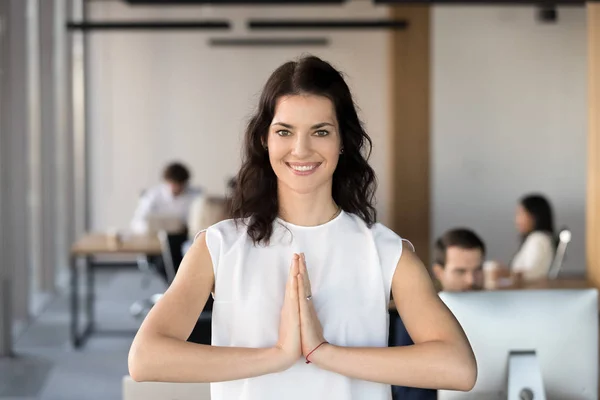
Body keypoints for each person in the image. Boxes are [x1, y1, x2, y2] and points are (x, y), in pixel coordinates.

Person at [128, 56, 477, 399]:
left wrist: (323, 352)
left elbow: (458, 368)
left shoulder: (386, 252)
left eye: (320, 131)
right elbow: (145, 359)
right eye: (285, 131)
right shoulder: (219, 246)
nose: (301, 149)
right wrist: (278, 356)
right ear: (265, 139)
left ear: (343, 141)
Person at [391, 228, 486, 399]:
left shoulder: (497, 310)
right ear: (439, 272)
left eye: (477, 270)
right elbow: (407, 391)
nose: (471, 280)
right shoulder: (415, 317)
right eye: (460, 271)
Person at [491, 194, 556, 283]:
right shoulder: (539, 238)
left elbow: (534, 274)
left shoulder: (538, 239)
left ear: (534, 216)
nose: (516, 220)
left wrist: (506, 273)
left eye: (520, 213)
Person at [130, 162, 201, 234]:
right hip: (156, 238)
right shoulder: (152, 195)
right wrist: (154, 228)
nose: (176, 188)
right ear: (166, 181)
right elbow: (136, 223)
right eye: (173, 184)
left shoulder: (196, 196)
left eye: (179, 185)